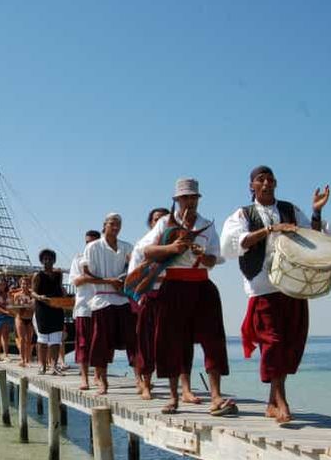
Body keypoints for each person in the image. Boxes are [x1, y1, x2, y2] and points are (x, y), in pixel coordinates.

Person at [220, 165, 331, 424]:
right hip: (263, 286)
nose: (267, 183)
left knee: (291, 342)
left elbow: (313, 237)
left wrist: (316, 211)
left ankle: (272, 402)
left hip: (292, 285)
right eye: (261, 180)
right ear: (252, 186)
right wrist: (270, 230)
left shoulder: (290, 209)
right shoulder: (243, 214)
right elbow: (234, 244)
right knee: (273, 342)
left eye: (271, 179)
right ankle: (281, 400)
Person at [140, 178, 233, 415]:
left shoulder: (207, 225)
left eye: (193, 197)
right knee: (170, 340)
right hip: (172, 286)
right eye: (185, 198)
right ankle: (173, 397)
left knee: (213, 340)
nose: (189, 202)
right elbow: (147, 251)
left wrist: (202, 255)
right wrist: (172, 249)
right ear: (177, 200)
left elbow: (215, 259)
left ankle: (215, 396)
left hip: (202, 283)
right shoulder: (165, 223)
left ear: (198, 199)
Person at [81, 214, 136, 394]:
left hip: (122, 298)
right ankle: (102, 380)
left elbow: (135, 271)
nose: (115, 227)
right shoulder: (93, 247)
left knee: (132, 339)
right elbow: (87, 276)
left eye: (118, 224)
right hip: (102, 299)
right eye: (112, 223)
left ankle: (140, 379)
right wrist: (109, 280)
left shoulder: (127, 247)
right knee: (100, 341)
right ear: (104, 225)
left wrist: (125, 279)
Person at [127, 207, 169, 399]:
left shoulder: (176, 244)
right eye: (156, 219)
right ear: (150, 223)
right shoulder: (142, 245)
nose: (160, 222)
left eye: (164, 219)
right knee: (145, 341)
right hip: (147, 296)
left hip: (168, 295)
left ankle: (179, 386)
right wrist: (139, 297)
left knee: (169, 340)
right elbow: (133, 276)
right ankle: (146, 384)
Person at [69, 230, 101, 389]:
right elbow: (76, 281)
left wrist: (90, 277)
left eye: (93, 242)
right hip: (83, 306)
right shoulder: (78, 259)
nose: (90, 245)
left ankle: (98, 375)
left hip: (102, 304)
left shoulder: (104, 260)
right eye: (87, 242)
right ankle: (84, 379)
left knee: (100, 343)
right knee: (82, 344)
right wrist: (91, 277)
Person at [31, 249, 65, 375]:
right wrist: (40, 297)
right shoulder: (37, 275)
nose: (47, 261)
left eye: (50, 259)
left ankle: (54, 365)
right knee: (43, 339)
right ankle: (42, 365)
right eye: (45, 259)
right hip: (42, 308)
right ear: (41, 261)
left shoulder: (58, 274)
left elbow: (59, 287)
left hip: (56, 308)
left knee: (56, 339)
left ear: (54, 260)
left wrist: (63, 293)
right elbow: (33, 292)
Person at [11, 276, 35, 367]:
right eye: (23, 284)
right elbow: (15, 308)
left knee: (29, 340)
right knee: (22, 339)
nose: (24, 285)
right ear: (20, 284)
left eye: (26, 283)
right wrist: (21, 305)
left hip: (30, 318)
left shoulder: (32, 294)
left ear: (29, 284)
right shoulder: (17, 295)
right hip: (20, 317)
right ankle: (22, 359)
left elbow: (34, 307)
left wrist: (29, 305)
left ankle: (27, 359)